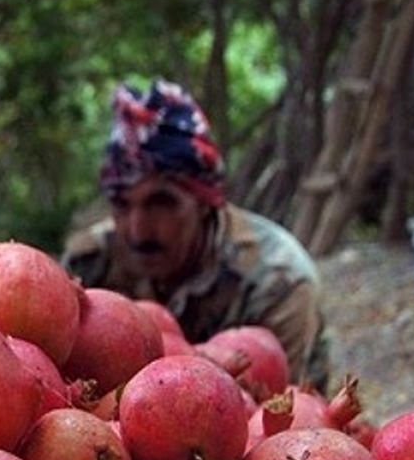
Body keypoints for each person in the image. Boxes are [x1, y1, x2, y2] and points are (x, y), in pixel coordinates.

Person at [62, 79, 328, 388]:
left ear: (206, 203)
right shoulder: (88, 263)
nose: (137, 230)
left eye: (161, 203)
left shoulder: (277, 280)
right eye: (121, 205)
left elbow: (287, 414)